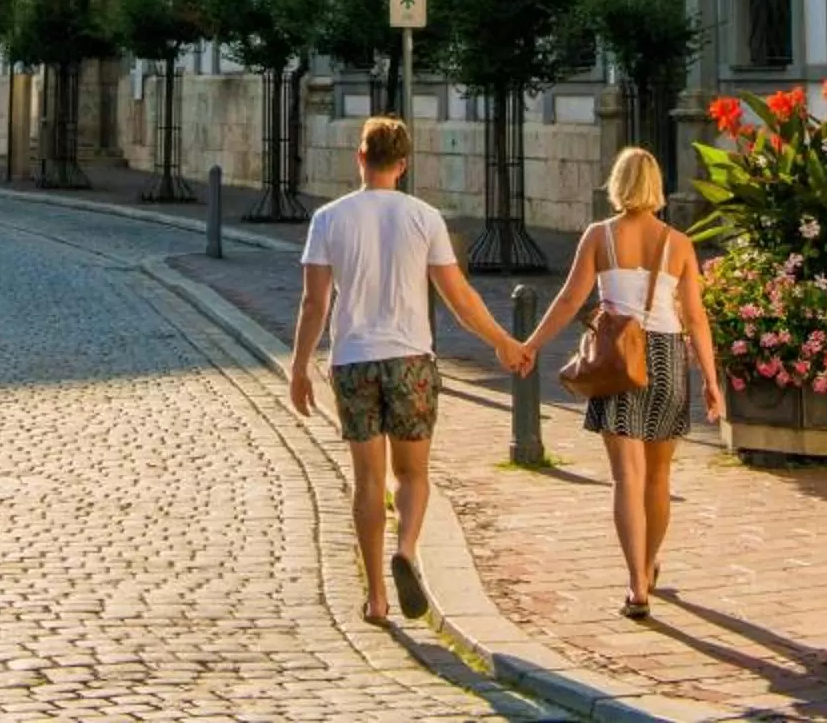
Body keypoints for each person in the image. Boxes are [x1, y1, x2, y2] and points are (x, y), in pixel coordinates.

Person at [289, 113, 534, 628]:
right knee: (413, 474)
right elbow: (460, 298)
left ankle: (376, 596)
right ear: (402, 165)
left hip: (353, 360)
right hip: (411, 362)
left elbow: (314, 305)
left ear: (360, 157)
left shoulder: (328, 220)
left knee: (367, 482)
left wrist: (299, 368)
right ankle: (407, 548)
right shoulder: (424, 218)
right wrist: (504, 341)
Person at [525, 144, 724, 620]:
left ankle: (636, 583)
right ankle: (651, 563)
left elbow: (570, 301)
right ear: (656, 187)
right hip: (666, 355)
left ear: (617, 184)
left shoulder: (599, 236)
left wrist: (530, 344)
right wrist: (712, 381)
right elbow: (696, 318)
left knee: (626, 478)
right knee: (658, 476)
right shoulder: (679, 244)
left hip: (619, 359)